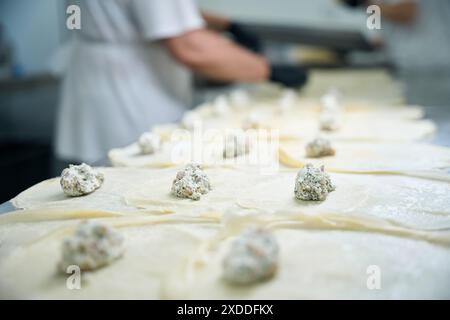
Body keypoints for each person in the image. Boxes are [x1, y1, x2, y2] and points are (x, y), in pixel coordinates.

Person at [55, 0, 307, 164]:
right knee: (127, 178)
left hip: (93, 77)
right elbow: (188, 46)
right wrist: (268, 69)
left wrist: (226, 24)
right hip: (129, 91)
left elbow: (157, 12)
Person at [342, 0, 450, 71]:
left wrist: (367, 3)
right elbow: (377, 30)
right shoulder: (372, 6)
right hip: (405, 63)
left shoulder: (371, 5)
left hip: (430, 64)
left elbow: (408, 13)